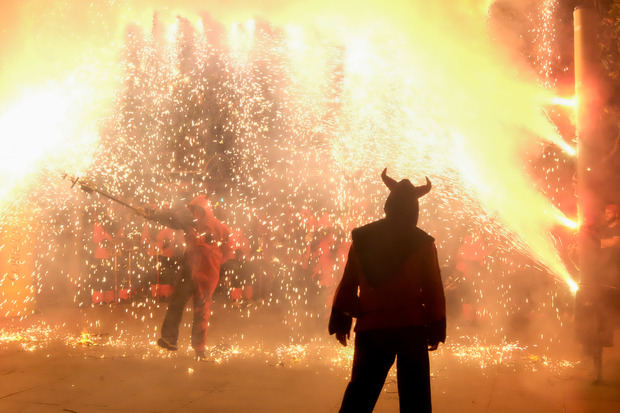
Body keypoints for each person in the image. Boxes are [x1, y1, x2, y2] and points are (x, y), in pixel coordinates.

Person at [329, 168, 446, 413]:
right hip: (410, 328)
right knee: (416, 398)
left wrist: (341, 320)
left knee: (360, 394)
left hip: (372, 328)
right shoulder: (423, 243)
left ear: (388, 204)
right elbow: (434, 289)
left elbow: (349, 281)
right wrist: (435, 327)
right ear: (414, 209)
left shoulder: (362, 239)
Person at [143, 194, 232, 359]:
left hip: (207, 274)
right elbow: (172, 219)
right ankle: (170, 339)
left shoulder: (221, 228)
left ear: (204, 210)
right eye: (193, 210)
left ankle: (199, 349)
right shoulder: (191, 223)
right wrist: (152, 215)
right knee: (176, 302)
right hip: (190, 270)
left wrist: (213, 260)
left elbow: (228, 252)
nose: (194, 213)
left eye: (197, 210)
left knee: (201, 310)